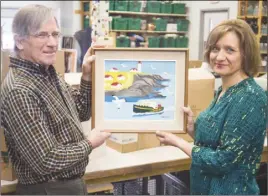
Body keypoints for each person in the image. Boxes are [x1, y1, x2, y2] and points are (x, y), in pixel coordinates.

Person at [1, 4, 111, 195]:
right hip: (48, 189)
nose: (52, 43)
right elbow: (46, 160)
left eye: (55, 34)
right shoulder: (20, 90)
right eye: (42, 35)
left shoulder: (49, 74)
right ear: (19, 42)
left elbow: (82, 111)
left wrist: (86, 75)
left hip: (67, 185)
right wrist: (90, 143)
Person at [156, 19, 267, 195]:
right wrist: (193, 129)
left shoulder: (250, 98)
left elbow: (222, 161)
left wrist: (178, 142)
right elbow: (216, 142)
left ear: (246, 54)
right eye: (215, 48)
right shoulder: (223, 91)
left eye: (230, 50)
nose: (219, 56)